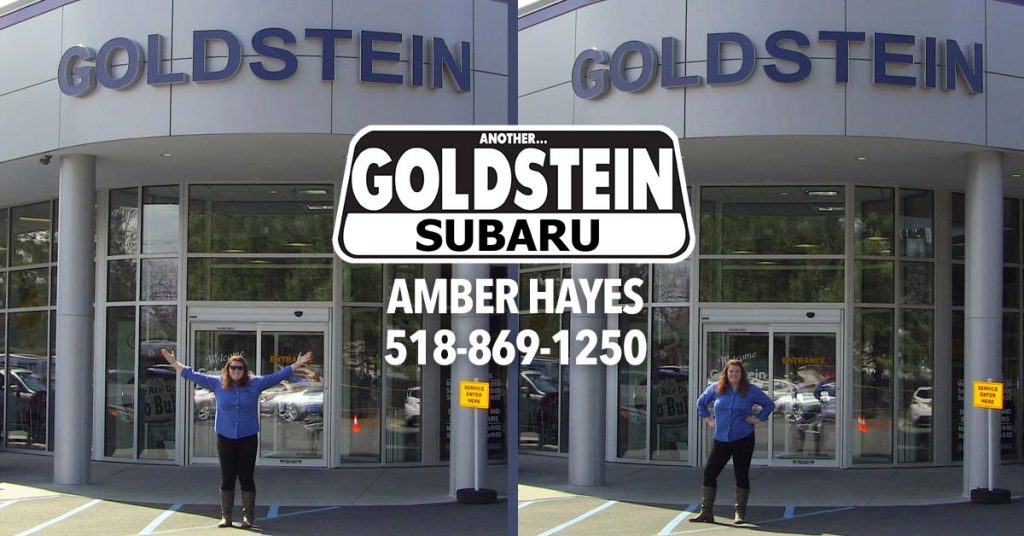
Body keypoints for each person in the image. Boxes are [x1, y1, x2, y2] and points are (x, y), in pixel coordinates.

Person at [161, 348, 313, 529]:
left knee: (246, 477)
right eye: (232, 368)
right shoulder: (217, 383)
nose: (236, 371)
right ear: (228, 369)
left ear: (244, 370)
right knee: (227, 477)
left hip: (247, 437)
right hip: (225, 438)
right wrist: (173, 363)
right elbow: (192, 375)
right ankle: (226, 516)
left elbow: (276, 376)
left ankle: (248, 517)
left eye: (239, 368)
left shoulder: (255, 383)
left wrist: (296, 365)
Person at [690, 359, 774, 524]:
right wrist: (708, 420)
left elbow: (769, 404)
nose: (734, 374)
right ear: (726, 373)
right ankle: (706, 511)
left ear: (742, 374)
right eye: (731, 371)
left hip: (743, 438)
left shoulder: (750, 390)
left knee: (741, 474)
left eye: (737, 371)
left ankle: (739, 513)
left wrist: (758, 419)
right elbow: (700, 402)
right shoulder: (716, 388)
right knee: (710, 472)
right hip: (721, 439)